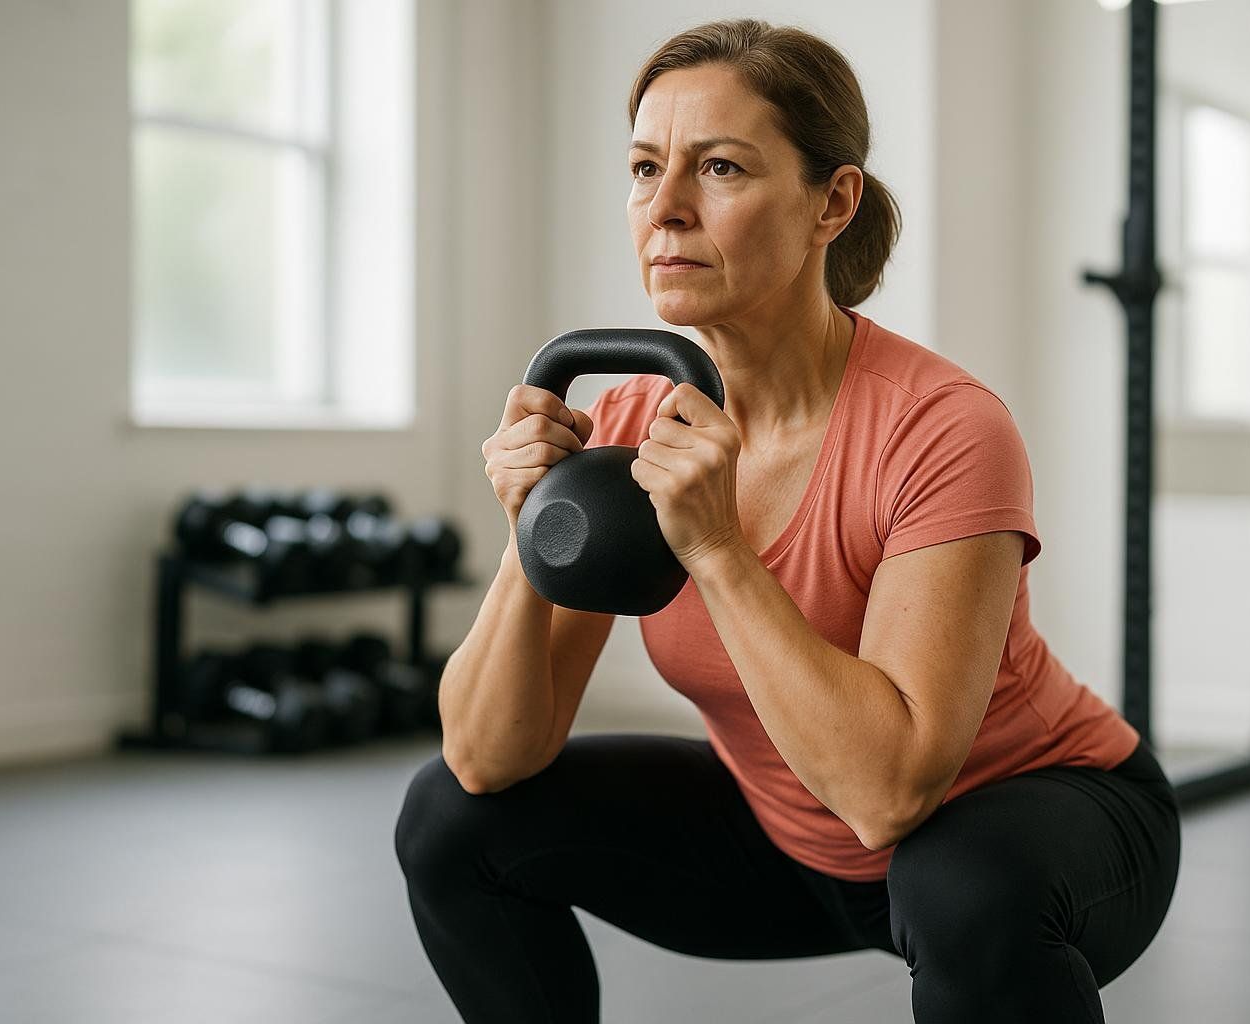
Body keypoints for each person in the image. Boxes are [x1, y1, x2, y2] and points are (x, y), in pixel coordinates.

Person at [396, 18, 1180, 1024]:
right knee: (448, 819)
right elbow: (488, 756)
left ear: (831, 201)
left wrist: (717, 546)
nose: (665, 209)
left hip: (1037, 815)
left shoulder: (942, 426)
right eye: (644, 168)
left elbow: (892, 795)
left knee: (958, 888)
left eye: (719, 167)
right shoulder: (630, 422)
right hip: (791, 833)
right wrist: (527, 529)